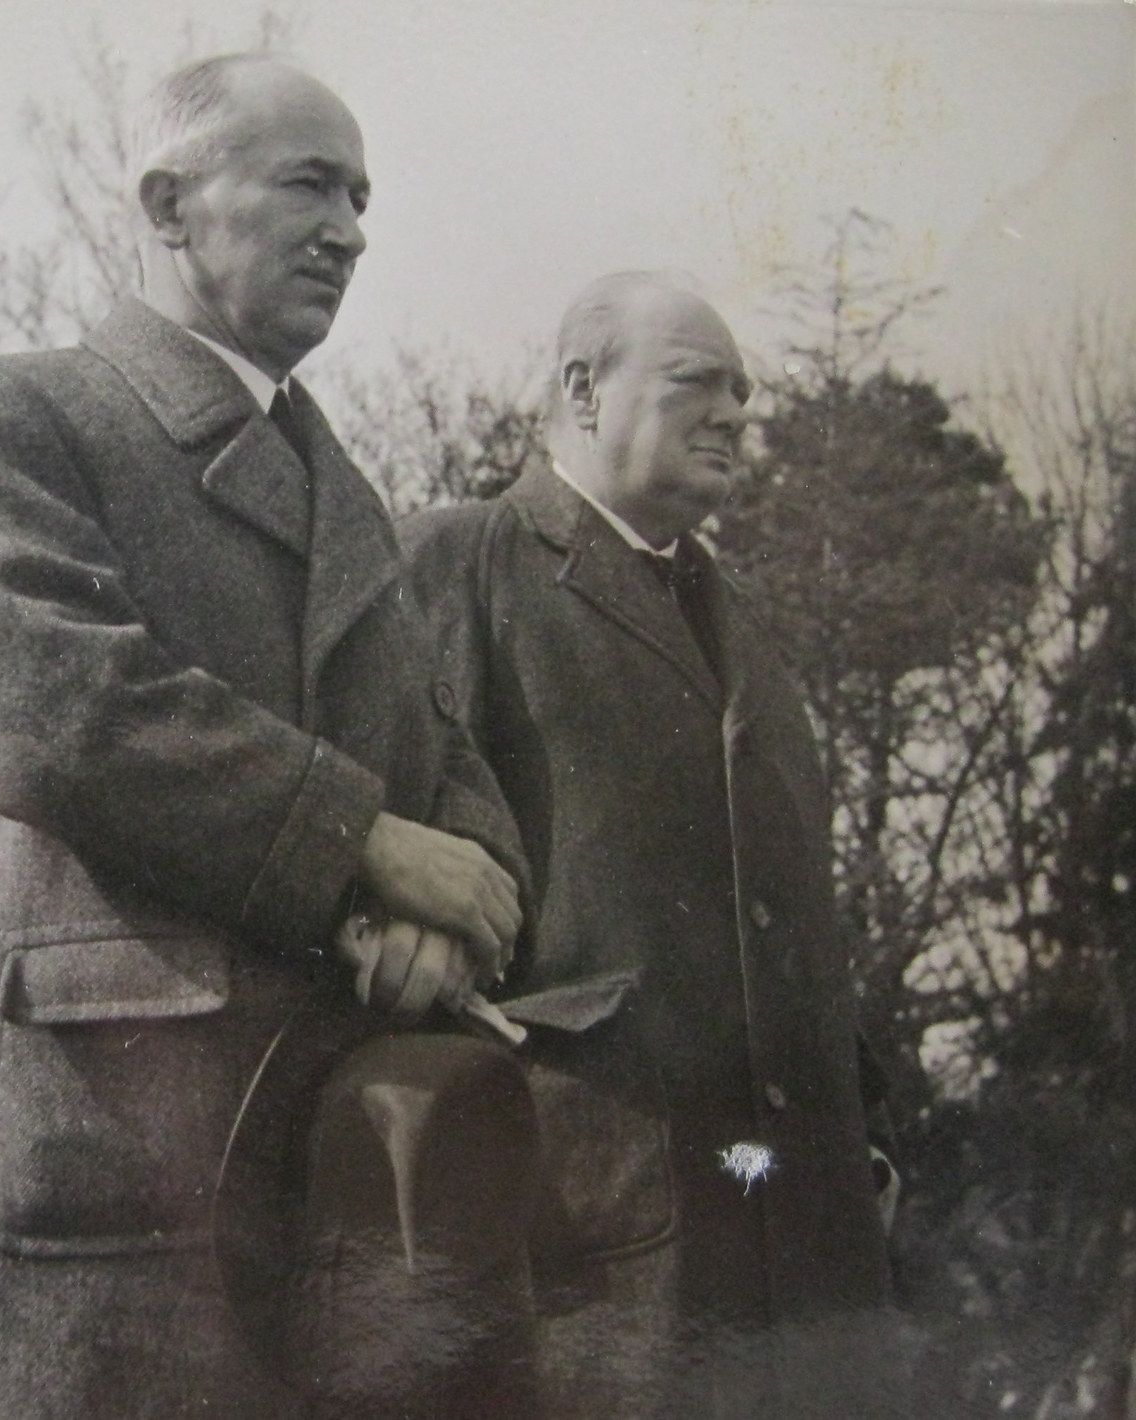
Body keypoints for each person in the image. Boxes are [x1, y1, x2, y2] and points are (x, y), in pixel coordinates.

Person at [0, 53, 527, 1419]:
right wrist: (366, 845)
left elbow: (447, 751)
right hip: (112, 1162)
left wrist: (452, 906)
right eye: (310, 185)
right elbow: (59, 714)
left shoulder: (342, 487)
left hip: (340, 1182)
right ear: (167, 205)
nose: (349, 232)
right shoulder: (10, 420)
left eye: (361, 198)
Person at [401, 272, 902, 1418]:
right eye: (695, 383)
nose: (733, 413)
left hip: (807, 1268)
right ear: (582, 389)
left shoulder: (748, 621)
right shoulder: (455, 565)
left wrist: (861, 1149)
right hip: (587, 1269)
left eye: (742, 392)